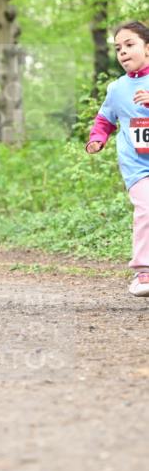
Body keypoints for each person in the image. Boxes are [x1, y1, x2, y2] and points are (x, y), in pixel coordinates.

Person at [86, 20, 149, 296]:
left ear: (147, 48)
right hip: (137, 166)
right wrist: (97, 138)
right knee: (147, 208)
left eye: (130, 44)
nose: (123, 52)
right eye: (118, 48)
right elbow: (104, 119)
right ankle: (144, 272)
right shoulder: (116, 88)